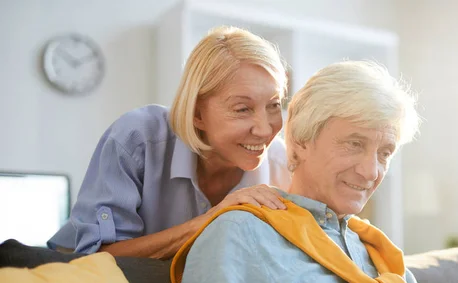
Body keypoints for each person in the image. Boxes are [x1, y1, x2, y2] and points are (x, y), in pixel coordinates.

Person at [172, 60, 458, 283]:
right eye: (354, 144)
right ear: (298, 143)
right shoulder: (242, 233)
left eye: (385, 153)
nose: (371, 171)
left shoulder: (374, 249)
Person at [47, 26, 291, 259]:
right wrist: (212, 220)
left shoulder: (282, 163)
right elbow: (97, 258)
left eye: (274, 105)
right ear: (197, 114)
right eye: (242, 109)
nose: (265, 129)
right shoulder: (137, 139)